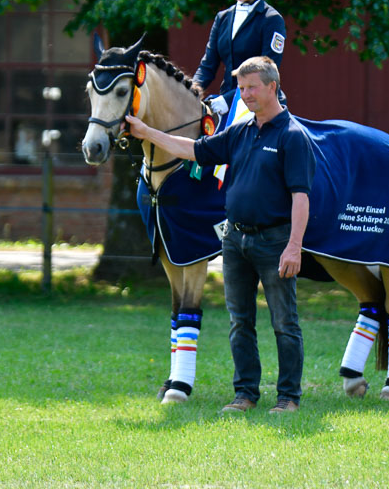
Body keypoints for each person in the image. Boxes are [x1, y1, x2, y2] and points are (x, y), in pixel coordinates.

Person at [125, 56, 316, 414]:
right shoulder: (240, 132)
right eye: (241, 89)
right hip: (236, 241)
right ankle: (245, 394)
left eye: (252, 88)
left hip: (274, 241)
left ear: (273, 87)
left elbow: (301, 197)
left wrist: (294, 247)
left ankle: (288, 398)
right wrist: (146, 132)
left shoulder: (293, 137)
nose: (245, 96)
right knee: (240, 323)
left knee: (284, 322)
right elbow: (193, 150)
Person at [192, 0, 287, 115]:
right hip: (226, 105)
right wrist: (190, 92)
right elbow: (208, 65)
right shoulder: (223, 18)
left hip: (261, 106)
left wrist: (229, 99)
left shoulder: (271, 20)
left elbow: (266, 71)